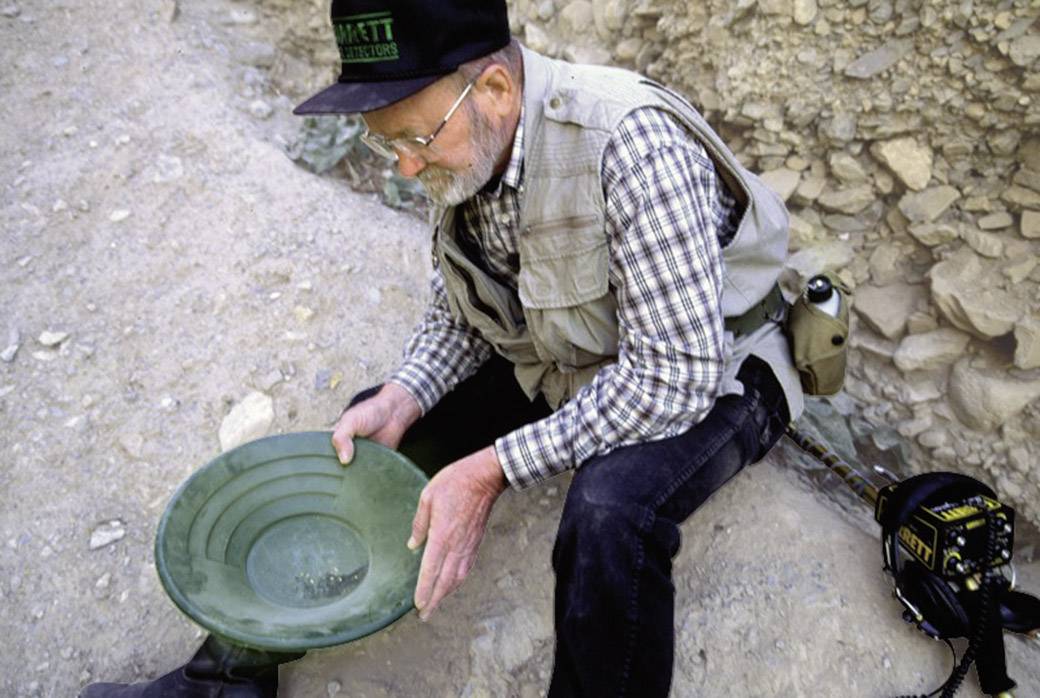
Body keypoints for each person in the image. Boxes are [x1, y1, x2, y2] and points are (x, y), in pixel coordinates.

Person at [82, 0, 804, 696]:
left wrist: (494, 468)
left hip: (722, 365)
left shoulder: (630, 146)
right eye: (384, 141)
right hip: (568, 351)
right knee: (376, 437)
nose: (402, 169)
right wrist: (407, 391)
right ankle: (228, 679)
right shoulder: (462, 144)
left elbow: (672, 376)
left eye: (414, 141)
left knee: (611, 511)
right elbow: (465, 311)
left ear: (493, 88)